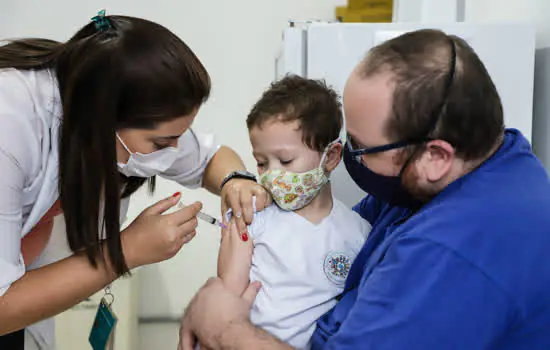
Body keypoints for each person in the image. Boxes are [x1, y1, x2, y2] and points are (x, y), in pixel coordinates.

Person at [179, 29, 550, 350]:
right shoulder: (483, 160)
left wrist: (224, 327)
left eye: (361, 147)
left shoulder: (455, 251)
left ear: (435, 155)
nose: (349, 157)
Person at [0, 11, 269, 350]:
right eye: (161, 144)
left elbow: (211, 158)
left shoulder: (102, 102)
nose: (175, 151)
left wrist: (235, 180)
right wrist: (125, 251)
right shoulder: (9, 128)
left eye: (179, 136)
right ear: (101, 119)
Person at [217, 75, 371, 349]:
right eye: (262, 162)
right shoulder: (252, 219)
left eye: (286, 160)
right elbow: (223, 306)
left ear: (332, 156)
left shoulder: (359, 232)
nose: (273, 175)